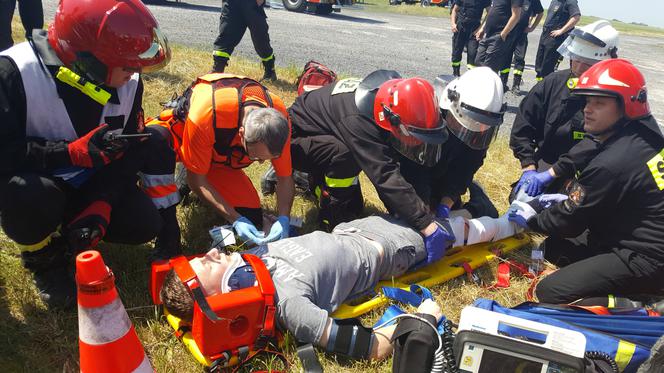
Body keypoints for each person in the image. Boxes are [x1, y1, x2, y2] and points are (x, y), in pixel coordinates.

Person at [160, 211, 523, 363]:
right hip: (390, 247)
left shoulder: (249, 260)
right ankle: (521, 220)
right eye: (206, 264)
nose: (209, 252)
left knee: (444, 207)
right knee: (465, 229)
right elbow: (373, 348)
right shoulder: (288, 305)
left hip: (355, 226)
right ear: (215, 299)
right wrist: (421, 319)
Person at [0, 0, 177, 308]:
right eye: (127, 64)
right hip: (37, 184)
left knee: (143, 223)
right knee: (26, 195)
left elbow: (131, 149)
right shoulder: (14, 73)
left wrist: (102, 202)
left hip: (89, 183)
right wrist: (67, 153)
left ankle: (74, 232)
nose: (135, 72)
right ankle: (44, 258)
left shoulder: (129, 83)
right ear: (88, 59)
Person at [509, 59, 664, 304]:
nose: (587, 110)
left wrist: (531, 219)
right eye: (587, 102)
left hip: (646, 259)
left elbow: (570, 222)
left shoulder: (613, 162)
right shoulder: (643, 135)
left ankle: (643, 303)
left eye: (599, 103)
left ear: (626, 107)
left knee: (550, 291)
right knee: (554, 249)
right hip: (631, 233)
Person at [286, 70, 453, 266]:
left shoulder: (390, 103)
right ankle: (329, 209)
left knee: (355, 207)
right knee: (345, 157)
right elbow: (384, 174)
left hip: (329, 133)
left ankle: (309, 179)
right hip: (295, 141)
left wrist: (418, 206)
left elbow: (400, 166)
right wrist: (424, 223)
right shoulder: (359, 121)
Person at [147, 73, 295, 246]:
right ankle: (188, 168)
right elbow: (197, 181)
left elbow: (285, 177)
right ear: (241, 134)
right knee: (154, 147)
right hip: (184, 136)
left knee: (251, 215)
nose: (261, 163)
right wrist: (234, 219)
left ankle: (200, 166)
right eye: (256, 157)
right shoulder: (207, 115)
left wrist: (284, 217)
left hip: (217, 158)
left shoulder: (279, 122)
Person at [510, 20, 619, 198]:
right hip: (549, 164)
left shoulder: (614, 98)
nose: (577, 68)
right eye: (575, 59)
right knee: (522, 201)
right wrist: (529, 167)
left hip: (591, 171)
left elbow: (601, 145)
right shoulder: (553, 83)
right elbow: (523, 127)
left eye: (587, 64)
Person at [402, 67, 505, 220]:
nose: (470, 132)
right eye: (465, 125)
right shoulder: (429, 112)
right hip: (418, 175)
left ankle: (480, 204)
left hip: (447, 177)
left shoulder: (483, 124)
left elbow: (468, 166)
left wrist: (447, 202)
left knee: (482, 216)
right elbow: (415, 166)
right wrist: (423, 205)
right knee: (412, 218)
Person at [212, 0, 276, 81]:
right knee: (226, 35)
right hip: (231, 3)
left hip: (251, 3)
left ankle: (270, 71)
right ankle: (217, 70)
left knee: (261, 39)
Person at [500, 0, 544, 92]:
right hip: (509, 32)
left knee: (520, 58)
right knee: (505, 58)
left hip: (522, 34)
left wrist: (532, 28)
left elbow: (540, 13)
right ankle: (502, 83)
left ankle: (516, 84)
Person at [534, 0, 580, 80]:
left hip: (555, 38)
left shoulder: (570, 2)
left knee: (547, 66)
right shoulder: (554, 1)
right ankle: (539, 85)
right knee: (539, 64)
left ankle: (546, 87)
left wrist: (561, 31)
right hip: (545, 34)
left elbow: (576, 17)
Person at [474, 0, 522, 77]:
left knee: (489, 67)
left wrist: (503, 34)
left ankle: (490, 87)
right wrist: (483, 28)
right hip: (488, 34)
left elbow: (516, 16)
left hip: (499, 35)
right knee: (478, 61)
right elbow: (492, 12)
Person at [449, 0, 491, 77]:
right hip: (460, 27)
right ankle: (455, 73)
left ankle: (470, 77)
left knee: (472, 54)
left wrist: (481, 29)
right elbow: (455, 10)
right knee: (456, 52)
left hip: (474, 30)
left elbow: (490, 12)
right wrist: (453, 24)